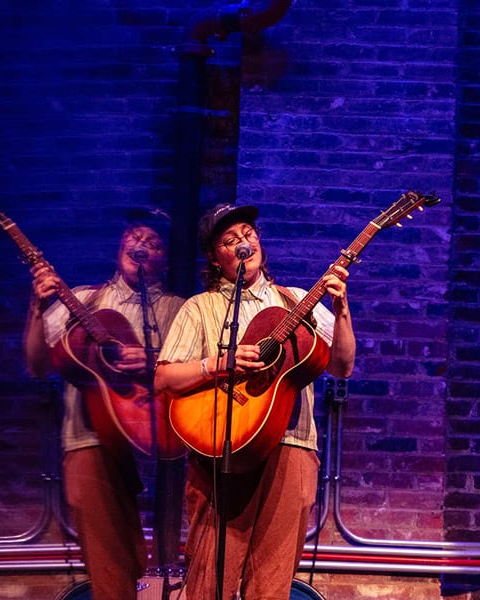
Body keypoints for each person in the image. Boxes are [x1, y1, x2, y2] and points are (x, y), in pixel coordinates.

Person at [154, 203, 356, 599]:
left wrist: (342, 309)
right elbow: (164, 377)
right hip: (223, 448)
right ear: (216, 257)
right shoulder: (200, 307)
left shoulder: (297, 301)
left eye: (248, 234)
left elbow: (343, 366)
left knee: (273, 579)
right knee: (210, 578)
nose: (243, 243)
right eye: (230, 240)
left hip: (292, 444)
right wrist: (219, 363)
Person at [23, 208, 185, 600]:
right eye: (133, 236)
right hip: (90, 435)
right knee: (106, 551)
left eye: (152, 242)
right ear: (119, 246)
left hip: (160, 434)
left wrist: (154, 359)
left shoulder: (181, 309)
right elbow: (37, 365)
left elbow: (199, 367)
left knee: (170, 546)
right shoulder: (82, 300)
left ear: (163, 257)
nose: (140, 245)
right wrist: (36, 307)